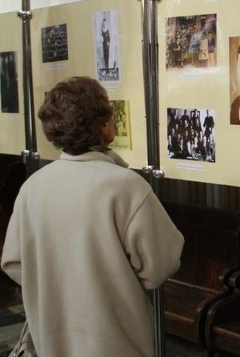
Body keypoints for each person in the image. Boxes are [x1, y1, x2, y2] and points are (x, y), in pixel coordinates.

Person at [1, 76, 184, 356]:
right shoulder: (126, 187)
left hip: (52, 341)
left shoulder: (33, 187)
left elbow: (14, 262)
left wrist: (54, 281)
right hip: (116, 343)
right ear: (105, 126)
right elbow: (160, 265)